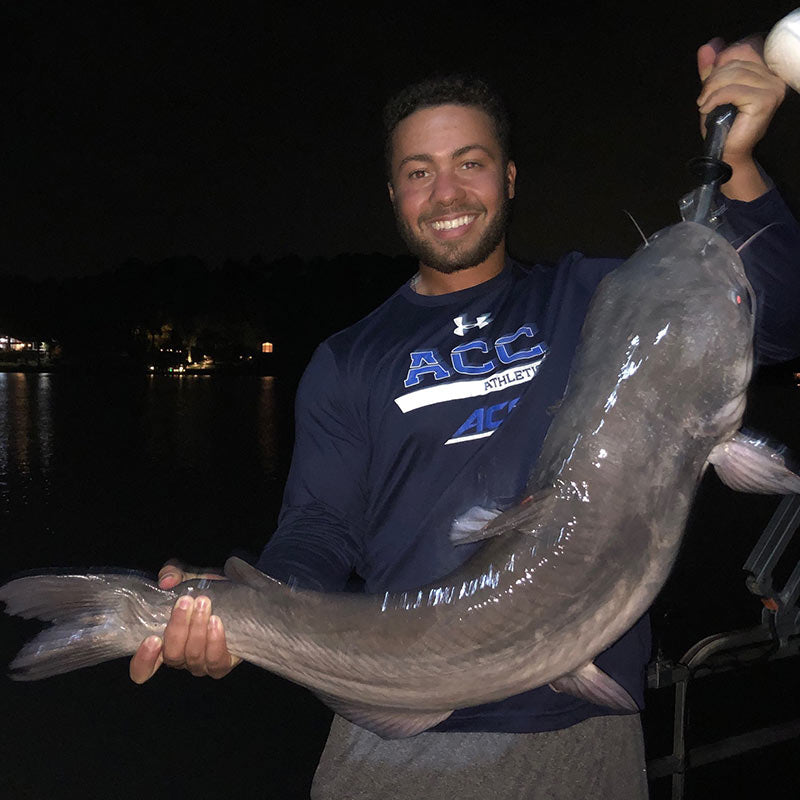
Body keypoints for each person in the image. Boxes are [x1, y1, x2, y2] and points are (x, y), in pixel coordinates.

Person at [129, 37, 800, 798]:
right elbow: (318, 531)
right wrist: (245, 612)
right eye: (420, 173)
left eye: (470, 163)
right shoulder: (350, 358)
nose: (446, 193)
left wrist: (739, 164)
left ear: (509, 177)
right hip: (394, 736)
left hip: (579, 741)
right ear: (392, 193)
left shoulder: (599, 299)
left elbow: (772, 319)